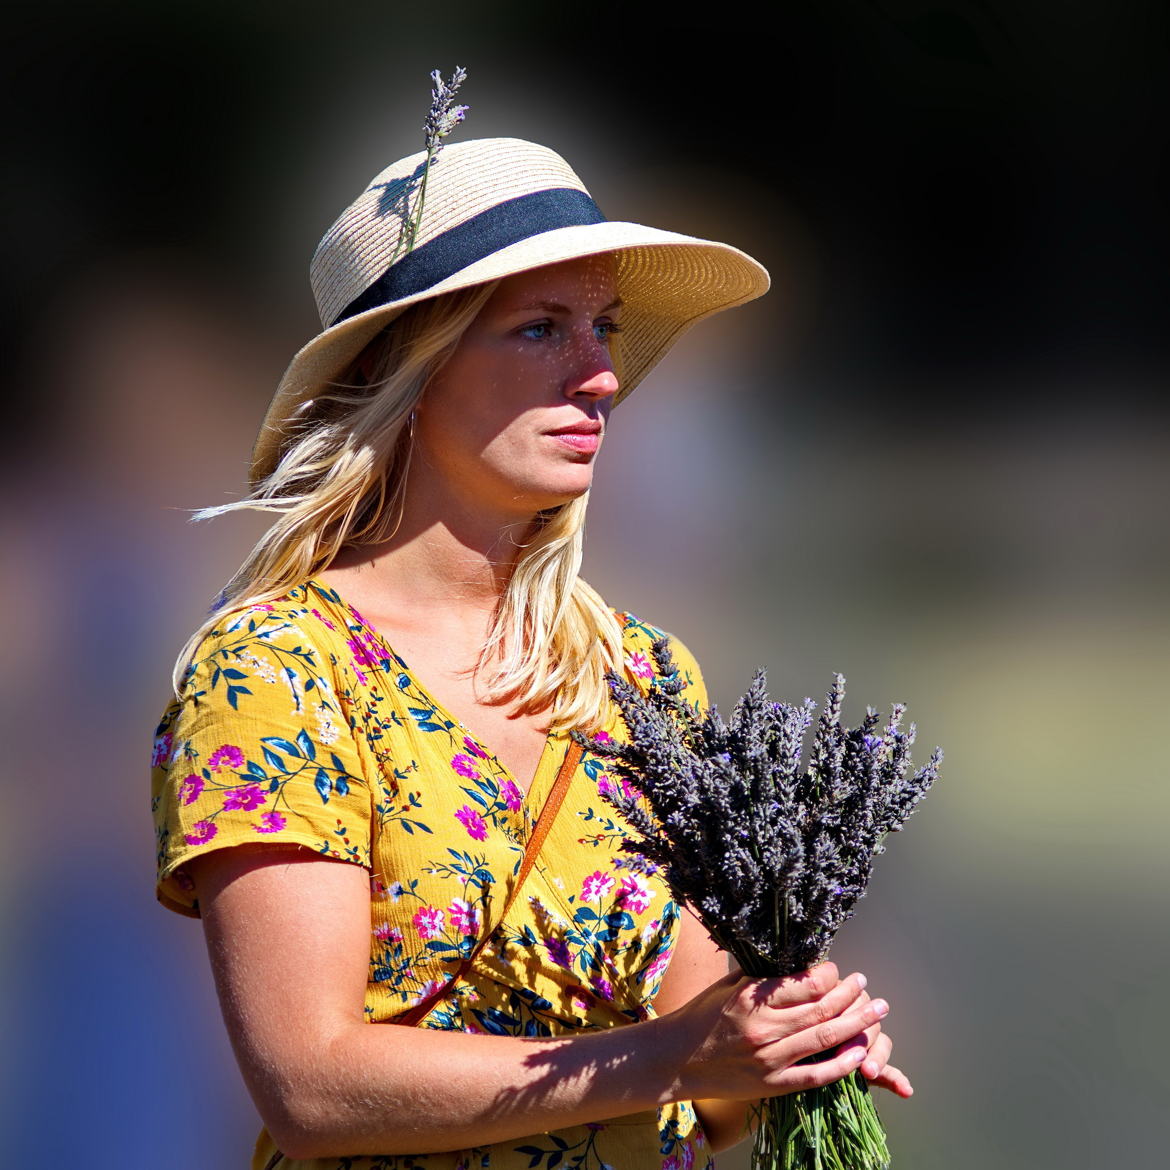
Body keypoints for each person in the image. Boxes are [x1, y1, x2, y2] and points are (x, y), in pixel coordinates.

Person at [151, 131, 912, 1170]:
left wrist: (782, 1042)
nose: (601, 376)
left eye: (602, 327)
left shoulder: (641, 674)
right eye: (540, 329)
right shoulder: (276, 670)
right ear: (402, 368)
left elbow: (709, 1092)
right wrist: (668, 1060)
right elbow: (311, 1086)